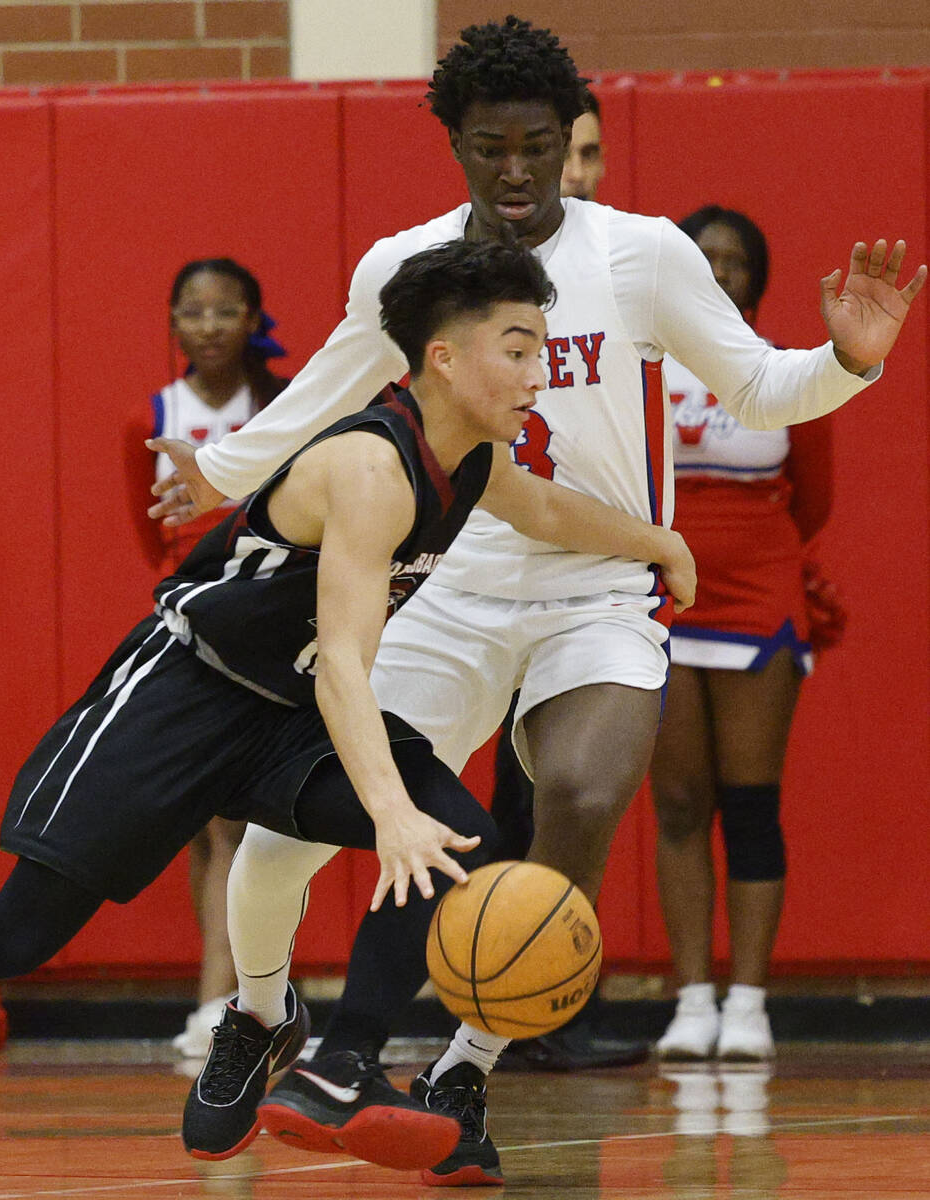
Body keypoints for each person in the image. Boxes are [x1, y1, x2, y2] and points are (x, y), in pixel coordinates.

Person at [147, 16, 925, 1186]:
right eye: (490, 146)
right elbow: (317, 400)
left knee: (578, 787)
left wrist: (848, 360)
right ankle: (262, 1018)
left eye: (540, 145)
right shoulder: (404, 270)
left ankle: (465, 1062)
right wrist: (218, 470)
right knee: (274, 849)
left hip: (599, 592)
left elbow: (761, 390)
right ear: (454, 144)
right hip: (447, 592)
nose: (517, 170)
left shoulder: (642, 254)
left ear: (572, 142)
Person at [0, 238, 694, 1172]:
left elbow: (543, 511)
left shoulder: (467, 454)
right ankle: (267, 1025)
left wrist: (657, 541)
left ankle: (341, 1065)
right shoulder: (368, 465)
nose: (537, 374)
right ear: (444, 357)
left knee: (450, 833)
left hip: (285, 715)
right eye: (517, 351)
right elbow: (348, 663)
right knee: (16, 936)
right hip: (185, 694)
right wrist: (387, 811)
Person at [651, 207, 843, 1062]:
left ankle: (749, 1002)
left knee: (750, 805)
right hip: (661, 599)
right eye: (703, 258)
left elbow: (814, 499)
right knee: (680, 803)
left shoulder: (784, 372)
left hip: (757, 600)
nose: (718, 272)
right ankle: (692, 998)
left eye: (734, 262)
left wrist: (761, 562)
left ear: (756, 282)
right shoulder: (641, 369)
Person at [489, 83, 647, 1072]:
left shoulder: (629, 272)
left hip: (591, 584)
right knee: (442, 806)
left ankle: (534, 1008)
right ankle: (323, 1024)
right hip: (479, 581)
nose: (572, 174)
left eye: (586, 155)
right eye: (563, 153)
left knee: (566, 793)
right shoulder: (459, 279)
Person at [127, 258, 290, 1060]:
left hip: (264, 616)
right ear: (172, 323)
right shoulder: (153, 415)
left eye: (228, 310)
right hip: (186, 623)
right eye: (193, 311)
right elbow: (146, 529)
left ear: (252, 319)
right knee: (206, 824)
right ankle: (227, 996)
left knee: (238, 821)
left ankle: (226, 1001)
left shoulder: (284, 406)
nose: (210, 326)